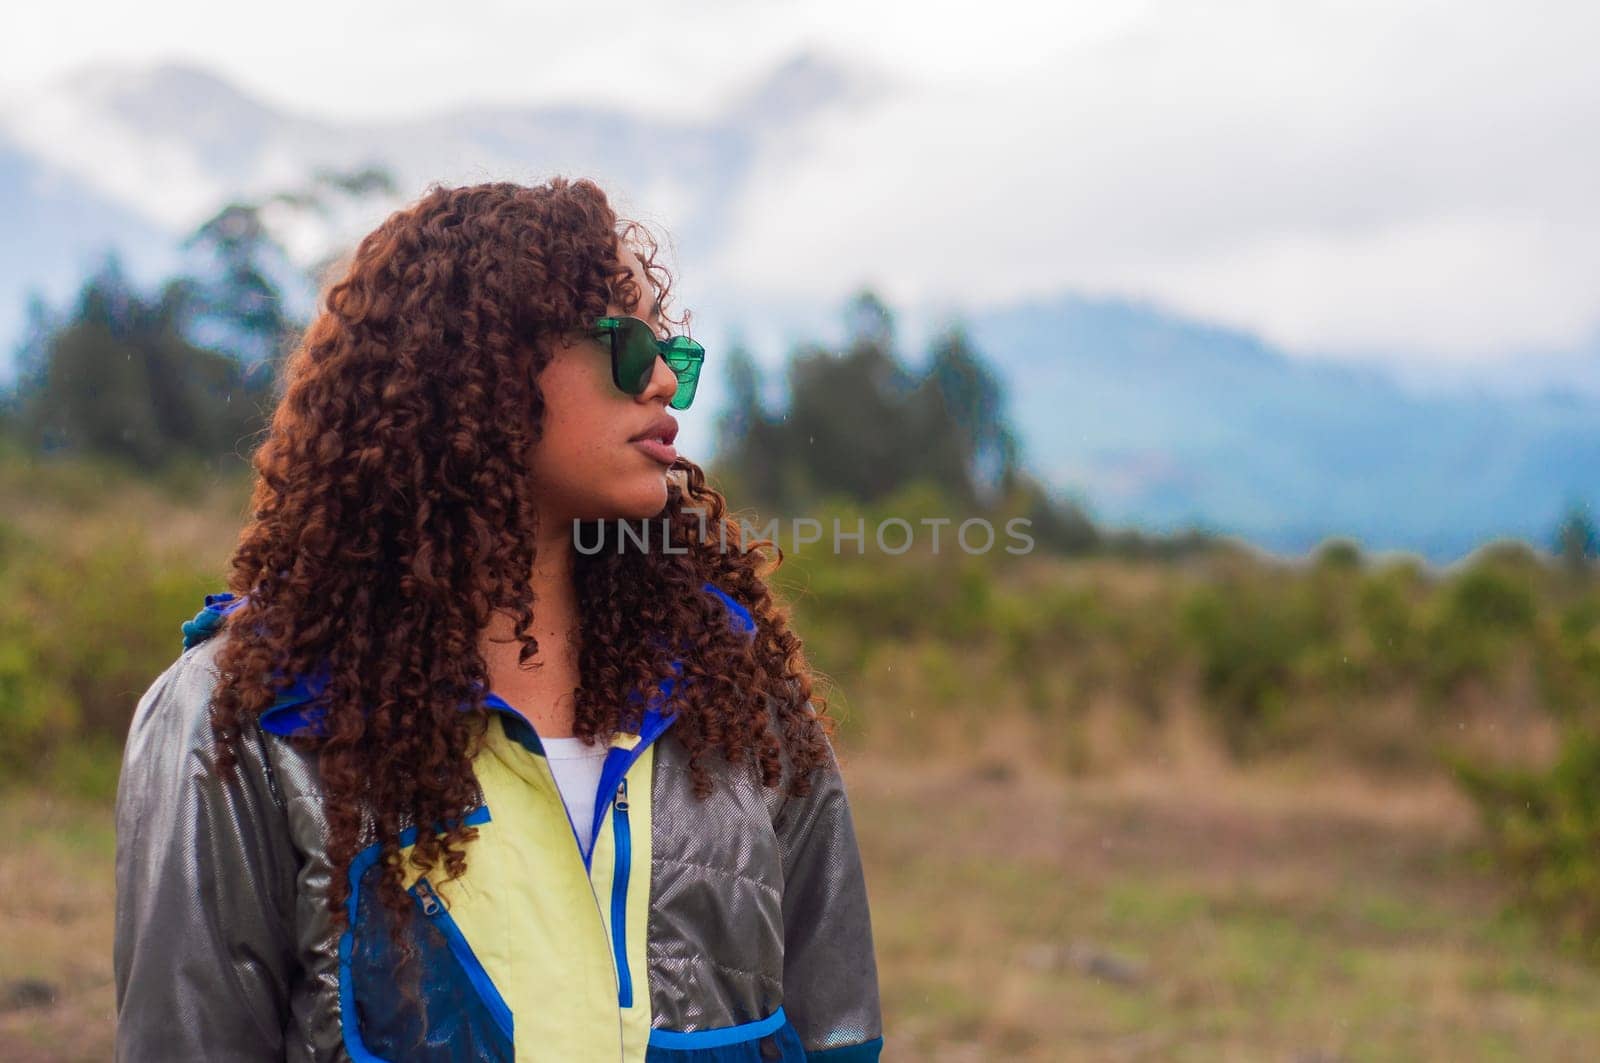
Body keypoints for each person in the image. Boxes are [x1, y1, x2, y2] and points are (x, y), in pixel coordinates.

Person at [112, 178, 884, 1062]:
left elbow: (838, 1037)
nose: (668, 378)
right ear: (473, 365)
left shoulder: (739, 698)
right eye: (628, 346)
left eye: (675, 351)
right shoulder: (241, 719)